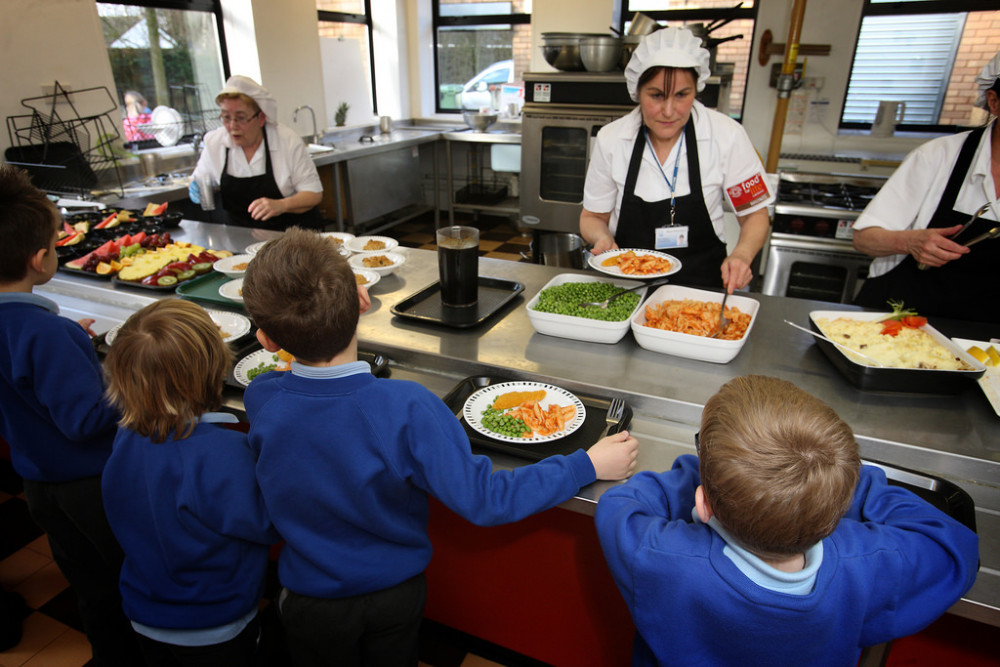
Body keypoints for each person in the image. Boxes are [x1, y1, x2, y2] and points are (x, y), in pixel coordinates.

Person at [241, 227, 639, 666]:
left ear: (267, 341)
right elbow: (485, 499)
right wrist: (585, 464)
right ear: (362, 299)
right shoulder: (408, 407)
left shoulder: (262, 397)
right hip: (396, 594)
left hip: (309, 599)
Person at [594, 375, 979, 667]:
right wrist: (844, 480)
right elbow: (952, 546)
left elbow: (620, 505)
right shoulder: (869, 563)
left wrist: (698, 474)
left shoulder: (660, 554)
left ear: (704, 503)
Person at [0, 164, 142, 665]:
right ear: (40, 260)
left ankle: (107, 653)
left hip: (36, 481)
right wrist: (132, 383)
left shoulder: (35, 331)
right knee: (124, 575)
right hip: (88, 485)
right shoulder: (48, 333)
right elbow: (82, 420)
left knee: (86, 581)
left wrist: (69, 350)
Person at [102, 299, 279, 666]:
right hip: (216, 622)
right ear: (214, 370)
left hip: (145, 613)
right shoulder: (224, 454)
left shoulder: (125, 438)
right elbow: (267, 525)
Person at [580, 27, 773, 292]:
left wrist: (742, 254)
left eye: (682, 95)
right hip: (625, 289)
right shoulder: (612, 139)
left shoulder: (727, 136)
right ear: (637, 91)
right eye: (656, 95)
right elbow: (591, 217)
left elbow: (755, 215)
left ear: (696, 89)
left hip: (702, 293)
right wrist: (601, 237)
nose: (669, 111)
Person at [852, 50, 1000, 321]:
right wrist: (909, 242)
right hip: (898, 326)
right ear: (994, 101)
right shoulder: (938, 156)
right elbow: (863, 239)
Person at [189, 75, 324, 230]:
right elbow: (200, 179)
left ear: (261, 118)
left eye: (240, 118)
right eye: (226, 117)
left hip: (290, 238)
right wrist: (197, 187)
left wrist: (281, 205)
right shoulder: (214, 143)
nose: (233, 126)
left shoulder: (286, 141)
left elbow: (313, 194)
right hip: (240, 237)